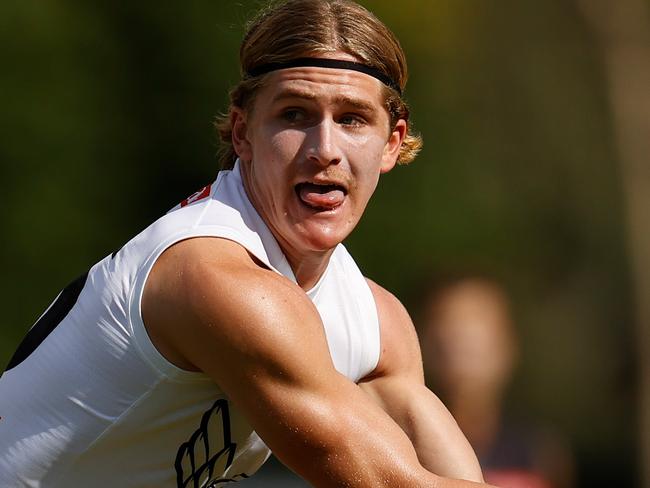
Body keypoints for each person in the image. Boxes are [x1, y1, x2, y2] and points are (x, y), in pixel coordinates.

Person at [0, 1, 497, 486]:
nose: (325, 150)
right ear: (243, 133)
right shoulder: (215, 279)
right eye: (295, 115)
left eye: (352, 119)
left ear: (392, 142)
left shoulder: (378, 325)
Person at [418, 274, 575, 488]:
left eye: (476, 333)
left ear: (508, 347)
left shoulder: (540, 454)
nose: (461, 351)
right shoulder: (402, 447)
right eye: (450, 332)